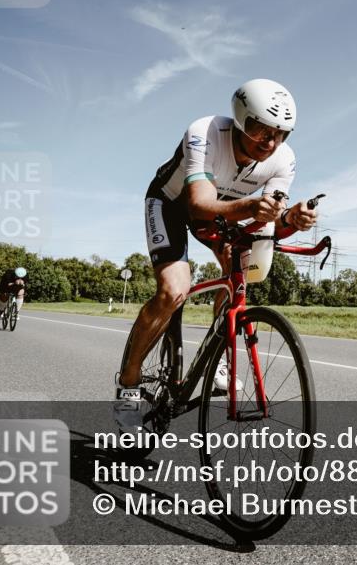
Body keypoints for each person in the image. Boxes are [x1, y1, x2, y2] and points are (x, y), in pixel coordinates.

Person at [114, 79, 318, 432]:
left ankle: (223, 358)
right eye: (259, 130)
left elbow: (267, 222)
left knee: (242, 272)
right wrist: (254, 206)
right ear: (240, 120)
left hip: (226, 214)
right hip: (174, 205)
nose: (269, 143)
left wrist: (290, 219)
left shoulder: (284, 160)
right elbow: (198, 203)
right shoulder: (205, 131)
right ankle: (128, 384)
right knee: (174, 289)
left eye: (280, 134)